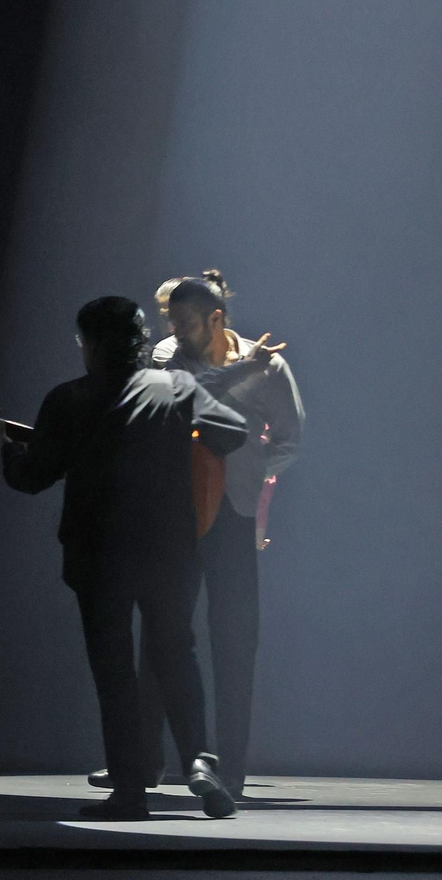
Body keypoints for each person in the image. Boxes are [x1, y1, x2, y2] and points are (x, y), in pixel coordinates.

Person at [1, 296, 245, 820]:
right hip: (170, 548)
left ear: (88, 343)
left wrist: (9, 452)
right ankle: (200, 761)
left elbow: (33, 477)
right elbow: (233, 432)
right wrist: (185, 437)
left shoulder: (67, 399)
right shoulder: (176, 386)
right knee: (175, 652)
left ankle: (130, 792)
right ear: (140, 341)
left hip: (99, 552)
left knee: (113, 670)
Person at [127, 272, 303, 797]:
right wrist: (245, 369)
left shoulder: (270, 367)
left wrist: (247, 472)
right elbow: (189, 395)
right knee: (162, 634)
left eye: (185, 322)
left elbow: (290, 439)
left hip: (234, 512)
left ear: (216, 319)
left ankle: (231, 771)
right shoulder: (167, 357)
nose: (175, 331)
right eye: (171, 321)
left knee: (235, 642)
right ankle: (144, 762)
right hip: (177, 513)